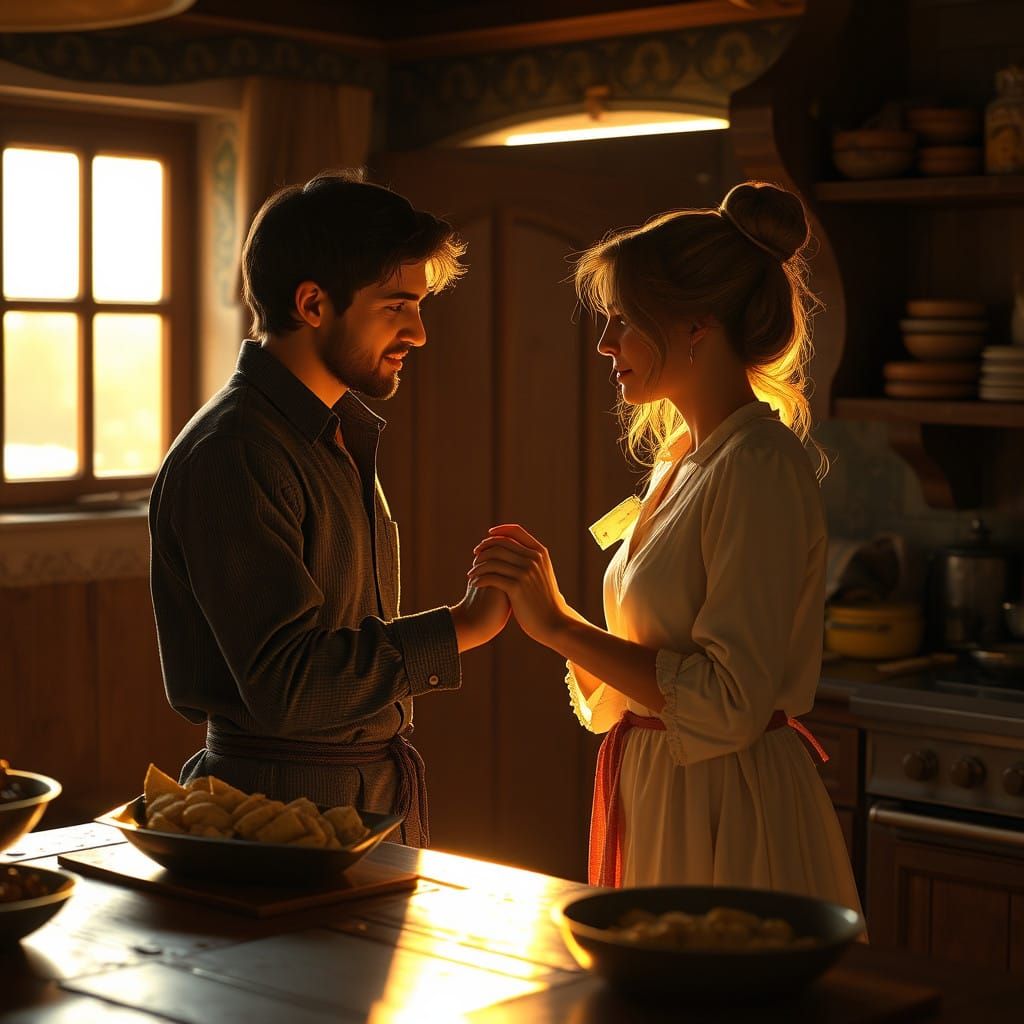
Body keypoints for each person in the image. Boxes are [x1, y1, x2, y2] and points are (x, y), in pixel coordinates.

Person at [468, 181, 862, 913]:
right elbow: (650, 672)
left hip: (726, 809)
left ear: (696, 324)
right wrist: (552, 613)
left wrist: (559, 625)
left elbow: (729, 702)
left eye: (623, 321)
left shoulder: (758, 467)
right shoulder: (683, 460)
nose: (604, 344)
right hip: (666, 792)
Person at [149, 169, 509, 846]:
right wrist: (460, 627)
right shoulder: (235, 453)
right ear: (313, 304)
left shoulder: (333, 433)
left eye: (420, 306)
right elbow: (289, 685)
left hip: (358, 803)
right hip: (274, 822)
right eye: (396, 306)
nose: (420, 333)